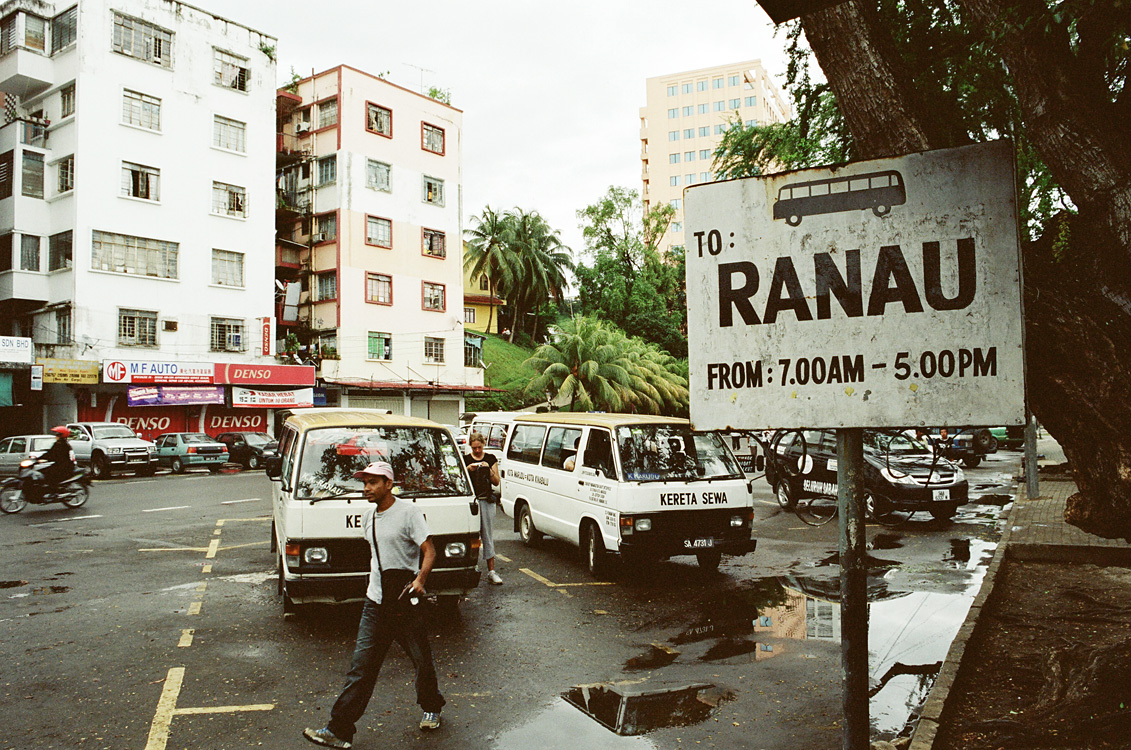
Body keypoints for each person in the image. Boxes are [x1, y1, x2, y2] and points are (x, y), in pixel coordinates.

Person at [304, 461, 445, 749]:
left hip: (404, 602)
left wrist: (420, 579)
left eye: (372, 482)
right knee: (361, 667)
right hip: (376, 602)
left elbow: (429, 550)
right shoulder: (369, 518)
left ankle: (432, 706)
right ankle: (339, 730)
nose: (366, 488)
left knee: (421, 660)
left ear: (388, 485)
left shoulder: (408, 512)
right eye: (364, 482)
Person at [463, 433, 502, 585]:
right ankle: (469, 569)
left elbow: (497, 481)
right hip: (471, 501)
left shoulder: (490, 459)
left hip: (486, 500)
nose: (477, 451)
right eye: (474, 448)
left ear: (483, 445)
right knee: (469, 536)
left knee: (487, 536)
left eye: (479, 447)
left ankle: (491, 571)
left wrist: (488, 469)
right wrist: (468, 469)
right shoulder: (466, 459)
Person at [41, 426, 76, 491]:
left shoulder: (64, 445)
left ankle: (54, 490)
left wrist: (46, 459)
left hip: (65, 466)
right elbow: (50, 452)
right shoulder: (57, 444)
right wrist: (39, 458)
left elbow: (57, 456)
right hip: (58, 464)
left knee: (49, 474)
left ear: (61, 436)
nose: (56, 436)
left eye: (57, 435)